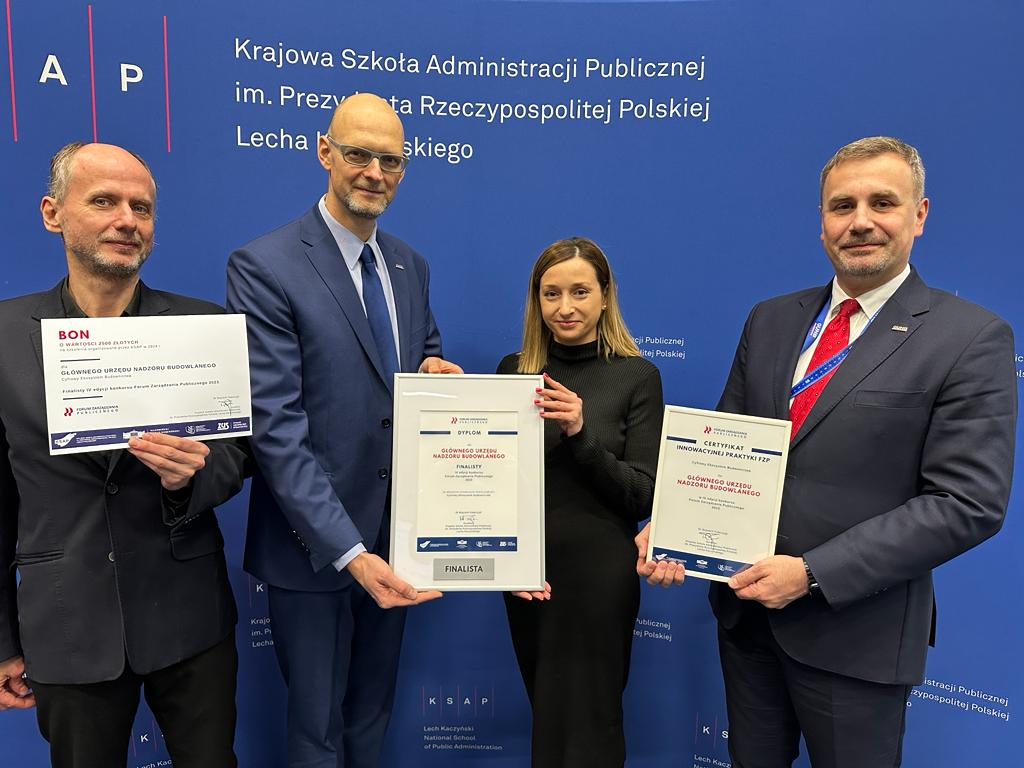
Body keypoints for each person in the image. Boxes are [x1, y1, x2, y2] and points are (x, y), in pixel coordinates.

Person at [637, 136, 1017, 767]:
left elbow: (966, 502)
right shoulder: (771, 320)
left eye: (882, 203)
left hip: (856, 635)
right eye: (842, 206)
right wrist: (674, 523)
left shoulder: (969, 338)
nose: (860, 221)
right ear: (822, 223)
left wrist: (812, 573)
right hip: (747, 619)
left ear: (919, 214)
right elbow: (724, 445)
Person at [226, 93, 461, 768]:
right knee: (316, 732)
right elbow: (276, 428)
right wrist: (351, 552)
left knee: (370, 718)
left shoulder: (409, 266)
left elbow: (417, 362)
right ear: (324, 152)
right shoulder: (265, 265)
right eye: (358, 154)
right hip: (314, 549)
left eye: (391, 160)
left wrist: (435, 374)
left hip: (399, 538)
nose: (374, 172)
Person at [0, 142, 249, 767]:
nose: (126, 221)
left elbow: (237, 456)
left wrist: (188, 479)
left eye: (141, 207)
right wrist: (2, 639)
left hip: (191, 623)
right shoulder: (2, 337)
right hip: (67, 625)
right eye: (104, 201)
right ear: (52, 213)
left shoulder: (201, 327)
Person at [497, 237, 663, 767]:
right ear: (536, 300)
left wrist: (580, 432)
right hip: (529, 578)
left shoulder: (637, 376)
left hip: (599, 577)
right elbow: (493, 483)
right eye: (551, 293)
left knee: (592, 725)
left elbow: (641, 494)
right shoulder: (512, 371)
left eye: (580, 291)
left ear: (605, 295)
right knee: (548, 717)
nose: (564, 307)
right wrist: (504, 563)